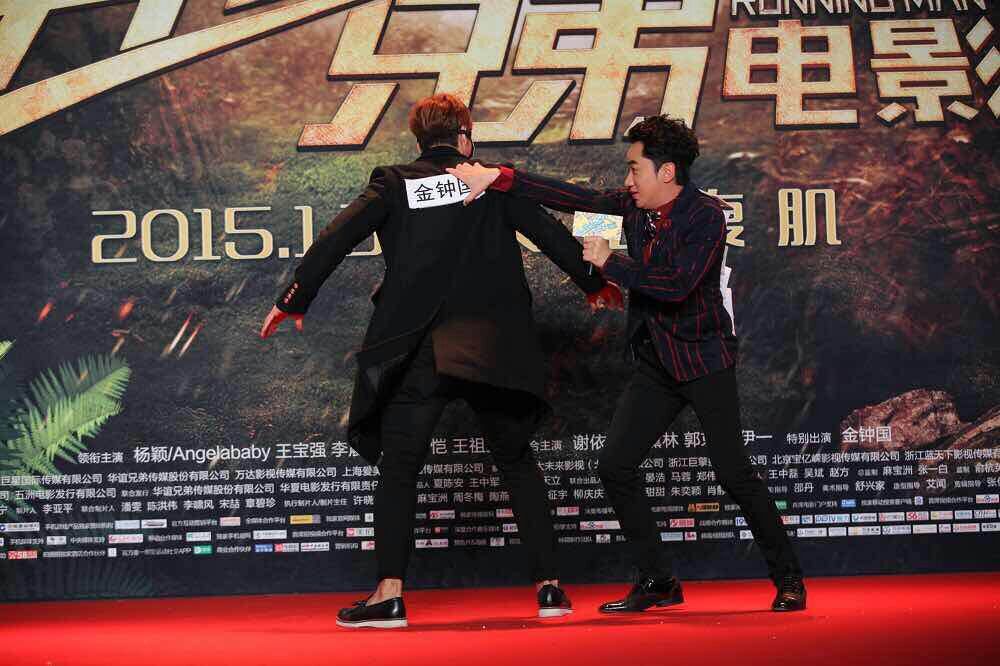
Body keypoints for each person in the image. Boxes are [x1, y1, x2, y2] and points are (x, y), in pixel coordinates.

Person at [259, 93, 623, 628]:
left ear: (420, 140)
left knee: (400, 469)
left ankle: (388, 596)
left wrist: (295, 297)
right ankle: (550, 590)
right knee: (517, 463)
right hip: (495, 348)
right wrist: (594, 282)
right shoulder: (493, 181)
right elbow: (551, 234)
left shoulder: (394, 183)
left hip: (421, 351)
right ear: (465, 137)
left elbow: (336, 237)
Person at [447, 115, 807, 612]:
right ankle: (658, 581)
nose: (628, 180)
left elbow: (676, 285)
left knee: (733, 473)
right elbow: (576, 198)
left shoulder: (706, 216)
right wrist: (498, 177)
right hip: (656, 361)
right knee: (615, 466)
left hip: (704, 359)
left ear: (667, 172)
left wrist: (609, 263)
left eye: (635, 168)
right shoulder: (633, 209)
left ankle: (789, 580)